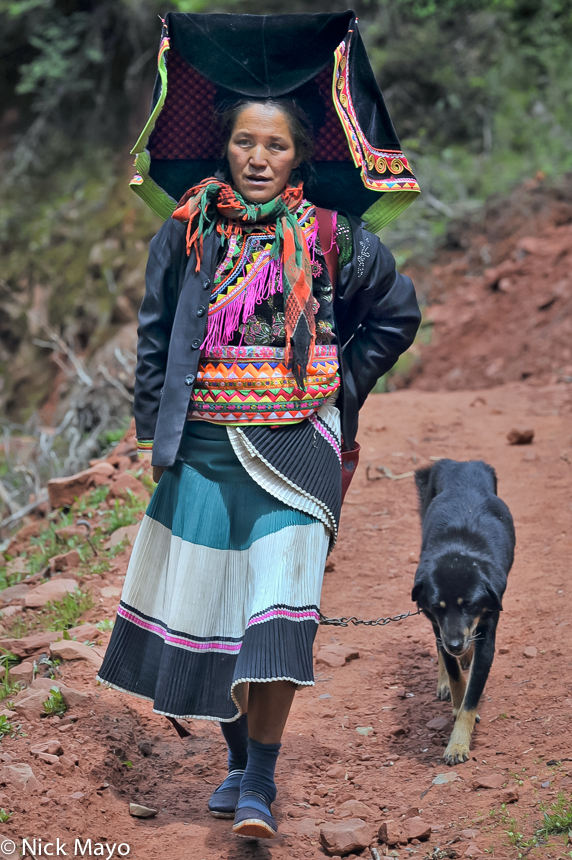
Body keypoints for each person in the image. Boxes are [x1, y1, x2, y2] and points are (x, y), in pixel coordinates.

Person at [98, 11, 421, 841]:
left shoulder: (330, 239)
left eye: (275, 147)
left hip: (295, 449)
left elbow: (395, 313)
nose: (258, 159)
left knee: (275, 606)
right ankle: (237, 758)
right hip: (203, 449)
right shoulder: (186, 235)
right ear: (225, 145)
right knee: (218, 610)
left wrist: (339, 383)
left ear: (300, 155)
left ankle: (261, 785)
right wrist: (152, 436)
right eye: (245, 142)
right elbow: (155, 333)